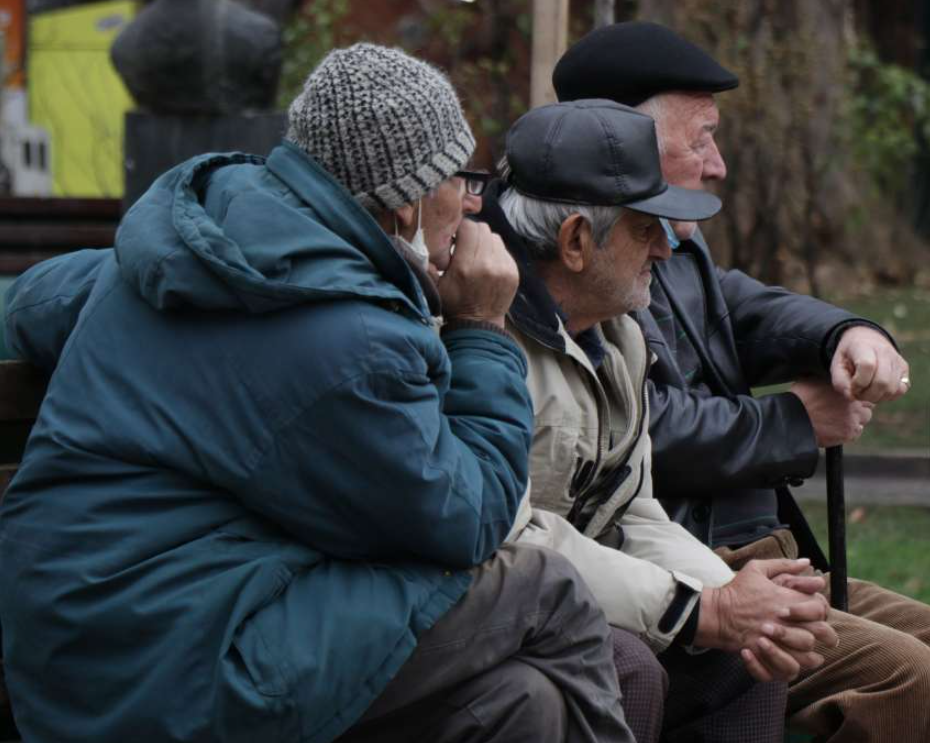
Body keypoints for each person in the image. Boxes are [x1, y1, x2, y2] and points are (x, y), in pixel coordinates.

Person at [0, 44, 639, 743]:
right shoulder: (350, 341)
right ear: (406, 202)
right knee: (547, 591)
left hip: (87, 632)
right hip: (172, 664)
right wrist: (482, 328)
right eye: (460, 177)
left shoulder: (198, 250)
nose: (474, 201)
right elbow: (470, 521)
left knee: (520, 702)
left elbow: (30, 304)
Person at [553, 21, 930, 743]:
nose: (718, 165)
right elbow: (631, 428)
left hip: (776, 557)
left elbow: (744, 308)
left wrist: (846, 333)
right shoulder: (571, 253)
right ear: (621, 141)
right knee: (903, 677)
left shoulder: (675, 244)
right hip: (683, 571)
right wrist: (794, 422)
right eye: (701, 140)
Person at [481, 98, 838, 743]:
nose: (665, 249)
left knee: (748, 654)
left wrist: (736, 598)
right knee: (627, 668)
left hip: (573, 594)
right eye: (646, 228)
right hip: (486, 602)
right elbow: (511, 539)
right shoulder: (484, 338)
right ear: (575, 242)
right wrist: (699, 608)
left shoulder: (616, 330)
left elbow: (631, 508)